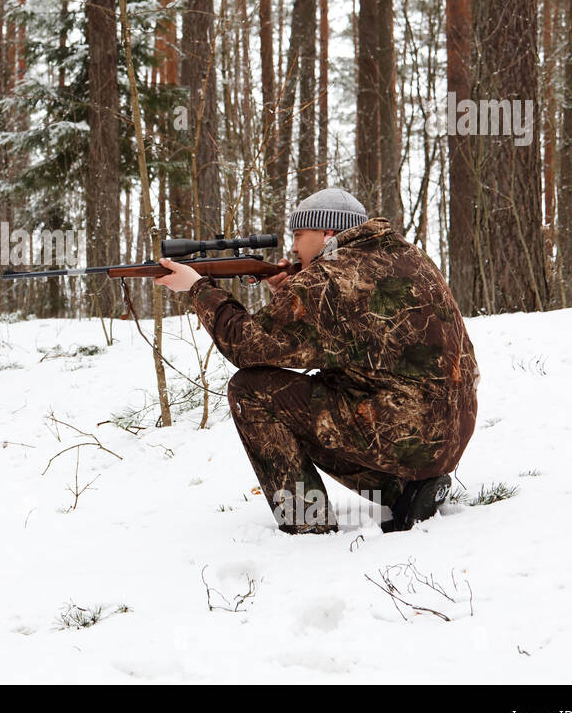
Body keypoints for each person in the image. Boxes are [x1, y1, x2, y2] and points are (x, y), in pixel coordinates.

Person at [154, 187, 479, 534]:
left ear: (327, 232)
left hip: (404, 431)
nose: (293, 247)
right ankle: (404, 492)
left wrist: (198, 287)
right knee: (329, 395)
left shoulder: (328, 279)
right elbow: (351, 329)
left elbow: (243, 345)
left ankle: (308, 525)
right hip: (447, 434)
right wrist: (289, 290)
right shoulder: (405, 254)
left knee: (252, 391)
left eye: (298, 234)